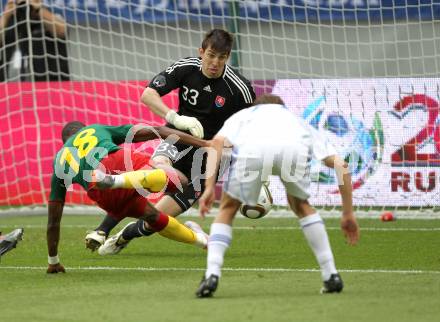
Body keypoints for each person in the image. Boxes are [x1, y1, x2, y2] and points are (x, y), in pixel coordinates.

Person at [98, 28, 256, 255]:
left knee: (157, 220)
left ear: (228, 57)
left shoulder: (239, 89)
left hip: (209, 156)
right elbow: (148, 95)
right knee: (153, 173)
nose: (215, 62)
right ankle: (101, 229)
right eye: (211, 55)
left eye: (221, 57)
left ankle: (125, 235)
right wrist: (175, 118)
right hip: (178, 139)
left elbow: (252, 126)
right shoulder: (186, 67)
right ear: (201, 52)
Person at [195, 94, 360, 297]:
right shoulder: (297, 121)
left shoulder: (244, 115)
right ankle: (331, 275)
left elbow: (217, 144)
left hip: (253, 149)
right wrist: (348, 213)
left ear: (257, 106)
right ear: (282, 108)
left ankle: (212, 273)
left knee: (228, 208)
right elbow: (341, 166)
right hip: (293, 149)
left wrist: (209, 186)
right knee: (301, 205)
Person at [47, 121, 209, 273]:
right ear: (83, 129)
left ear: (64, 143)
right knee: (180, 180)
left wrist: (53, 261)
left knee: (153, 216)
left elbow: (53, 221)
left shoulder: (58, 162)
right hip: (115, 161)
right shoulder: (95, 129)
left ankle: (204, 242)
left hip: (97, 191)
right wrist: (204, 144)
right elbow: (157, 131)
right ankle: (114, 184)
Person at [0, 0, 69, 81]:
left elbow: (61, 31)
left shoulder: (50, 14)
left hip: (49, 84)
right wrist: (5, 16)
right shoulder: (9, 20)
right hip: (8, 86)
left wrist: (38, 9)